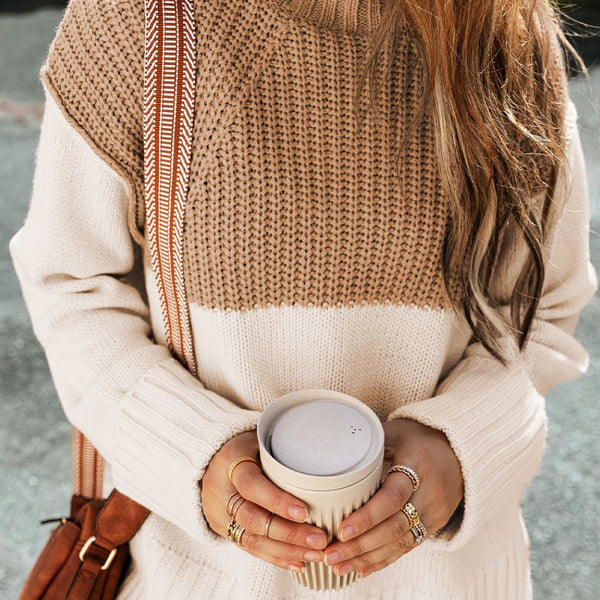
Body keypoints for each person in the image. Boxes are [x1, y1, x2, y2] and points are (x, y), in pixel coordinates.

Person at [10, 0, 597, 598]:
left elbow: (542, 308)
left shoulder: (503, 29)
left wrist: (460, 447)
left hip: (458, 582)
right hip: (203, 581)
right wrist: (193, 454)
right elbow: (72, 288)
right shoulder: (142, 22)